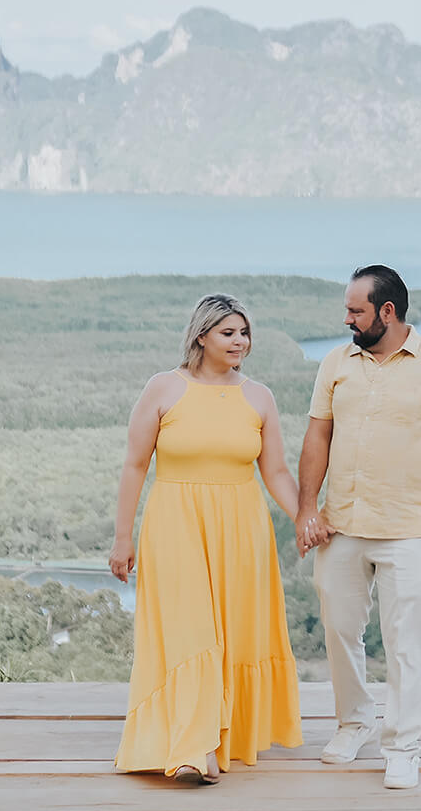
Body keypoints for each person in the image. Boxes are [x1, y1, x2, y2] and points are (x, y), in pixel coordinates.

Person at [295, 264, 421, 791]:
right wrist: (307, 508)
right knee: (339, 627)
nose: (347, 319)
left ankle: (402, 745)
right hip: (342, 523)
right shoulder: (336, 362)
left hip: (409, 528)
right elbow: (317, 439)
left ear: (387, 311)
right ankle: (355, 722)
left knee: (403, 639)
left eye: (356, 310)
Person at [111, 294, 302, 783]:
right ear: (201, 336)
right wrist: (122, 539)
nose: (241, 342)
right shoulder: (163, 388)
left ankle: (218, 737)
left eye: (244, 333)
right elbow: (134, 467)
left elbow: (276, 470)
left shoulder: (259, 397)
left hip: (242, 525)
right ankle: (193, 745)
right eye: (229, 333)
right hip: (175, 522)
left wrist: (305, 515)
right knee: (189, 631)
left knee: (232, 630)